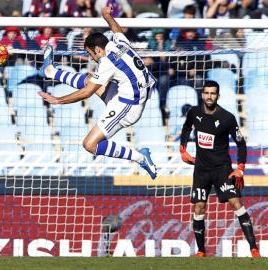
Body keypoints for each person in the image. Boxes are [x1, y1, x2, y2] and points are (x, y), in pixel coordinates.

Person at [38, 5, 158, 179]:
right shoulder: (121, 44)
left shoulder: (107, 62)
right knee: (90, 79)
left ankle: (140, 157)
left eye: (91, 54)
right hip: (131, 96)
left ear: (98, 49)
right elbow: (117, 29)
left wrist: (58, 100)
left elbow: (86, 93)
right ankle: (49, 71)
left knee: (90, 144)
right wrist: (106, 16)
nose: (91, 58)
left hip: (127, 108)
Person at [179, 80, 260, 257]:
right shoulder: (193, 112)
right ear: (202, 95)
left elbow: (241, 144)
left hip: (222, 169)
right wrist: (182, 150)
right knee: (199, 208)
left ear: (218, 95)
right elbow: (186, 129)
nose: (209, 96)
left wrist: (240, 168)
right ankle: (201, 251)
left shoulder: (227, 118)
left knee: (235, 203)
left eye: (213, 93)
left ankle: (254, 248)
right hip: (201, 170)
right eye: (206, 93)